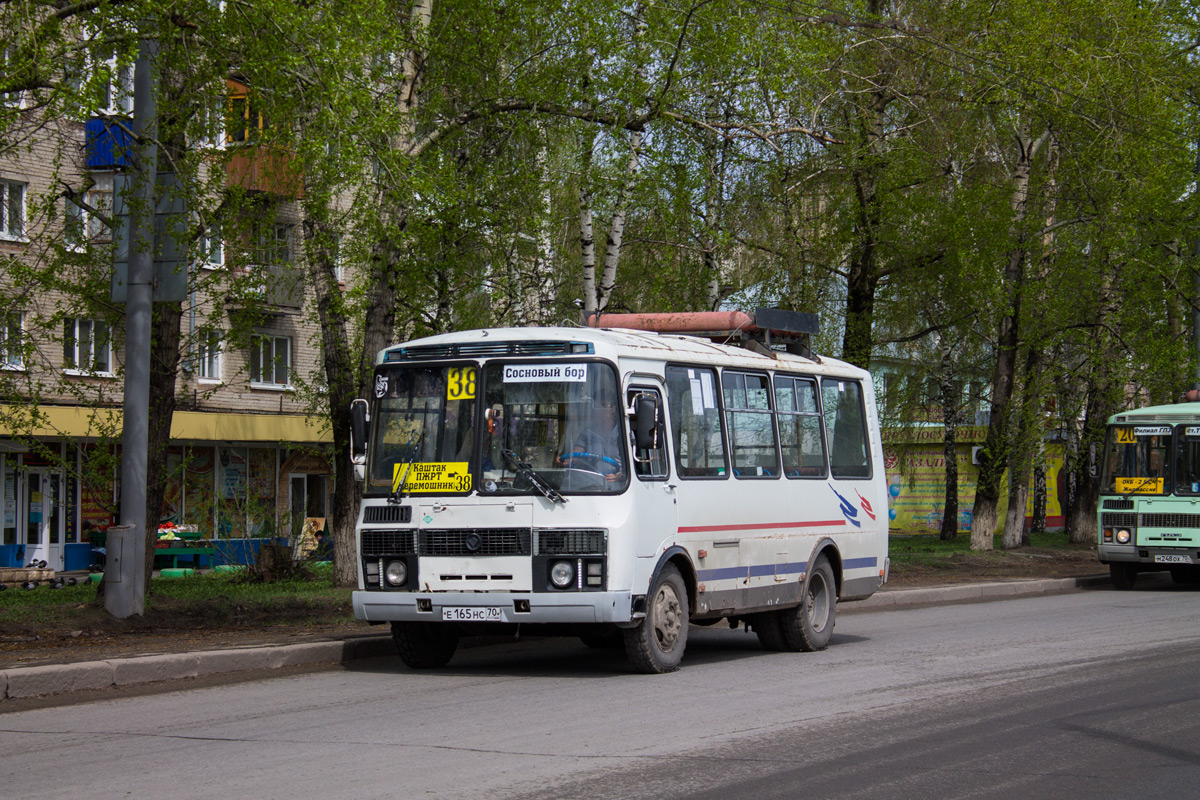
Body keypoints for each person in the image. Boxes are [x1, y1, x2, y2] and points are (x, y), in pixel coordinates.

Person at [558, 397, 625, 482]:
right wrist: (567, 460)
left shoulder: (623, 432)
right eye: (595, 406)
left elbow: (632, 464)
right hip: (591, 481)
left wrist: (619, 477)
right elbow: (576, 454)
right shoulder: (587, 433)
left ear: (613, 409)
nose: (598, 410)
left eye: (603, 405)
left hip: (619, 485)